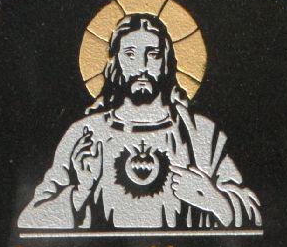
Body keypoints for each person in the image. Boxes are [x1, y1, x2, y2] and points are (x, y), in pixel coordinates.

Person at [20, 12, 259, 232]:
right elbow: (30, 221)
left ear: (166, 62)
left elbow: (255, 219)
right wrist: (80, 192)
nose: (142, 66)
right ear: (115, 62)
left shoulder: (200, 135)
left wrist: (212, 199)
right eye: (131, 54)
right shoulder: (86, 134)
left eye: (152, 54)